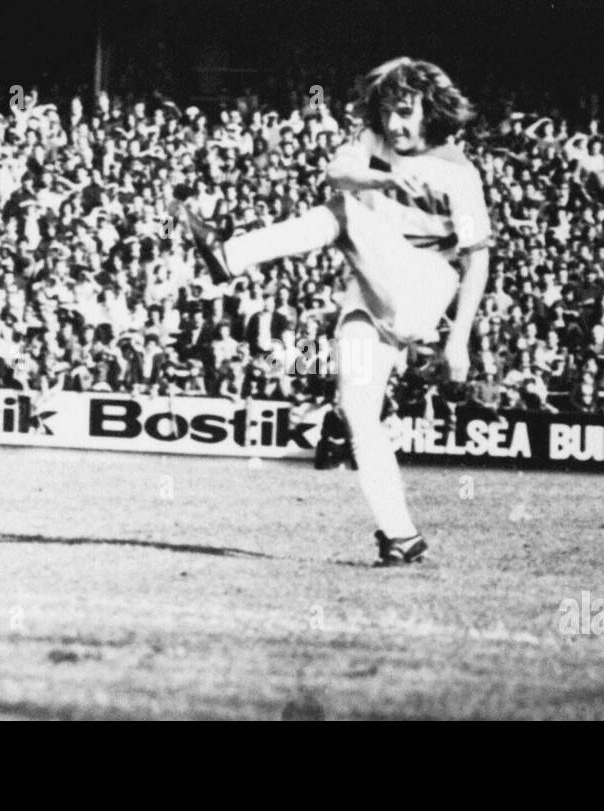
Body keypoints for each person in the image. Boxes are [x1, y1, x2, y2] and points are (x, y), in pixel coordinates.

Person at [175, 57, 491, 566]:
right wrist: (382, 182)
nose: (394, 124)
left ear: (429, 110)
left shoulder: (460, 174)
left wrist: (459, 341)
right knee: (358, 413)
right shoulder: (375, 141)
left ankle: (227, 257)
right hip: (370, 287)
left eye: (405, 112)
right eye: (387, 112)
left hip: (423, 283)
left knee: (341, 216)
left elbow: (478, 259)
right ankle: (401, 536)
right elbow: (336, 170)